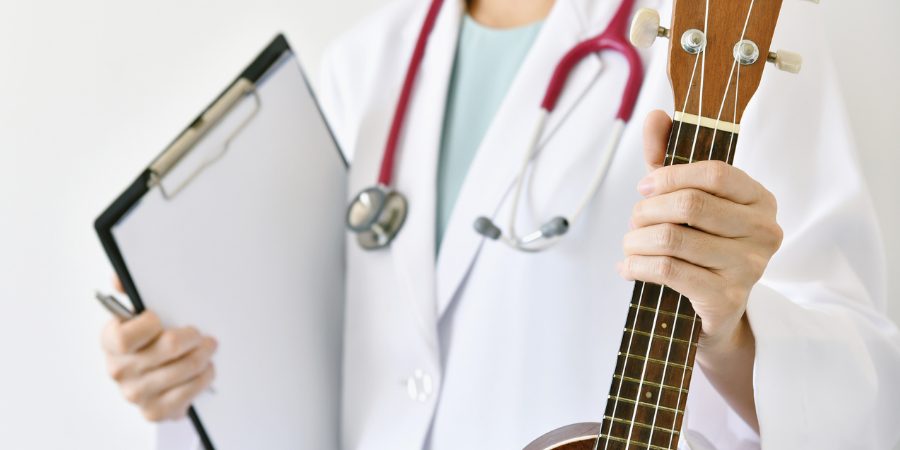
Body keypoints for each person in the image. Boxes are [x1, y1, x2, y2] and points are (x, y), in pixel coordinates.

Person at [99, 0, 900, 448]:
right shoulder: (364, 66)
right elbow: (323, 372)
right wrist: (183, 379)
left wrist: (735, 330)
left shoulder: (728, 30)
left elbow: (861, 389)